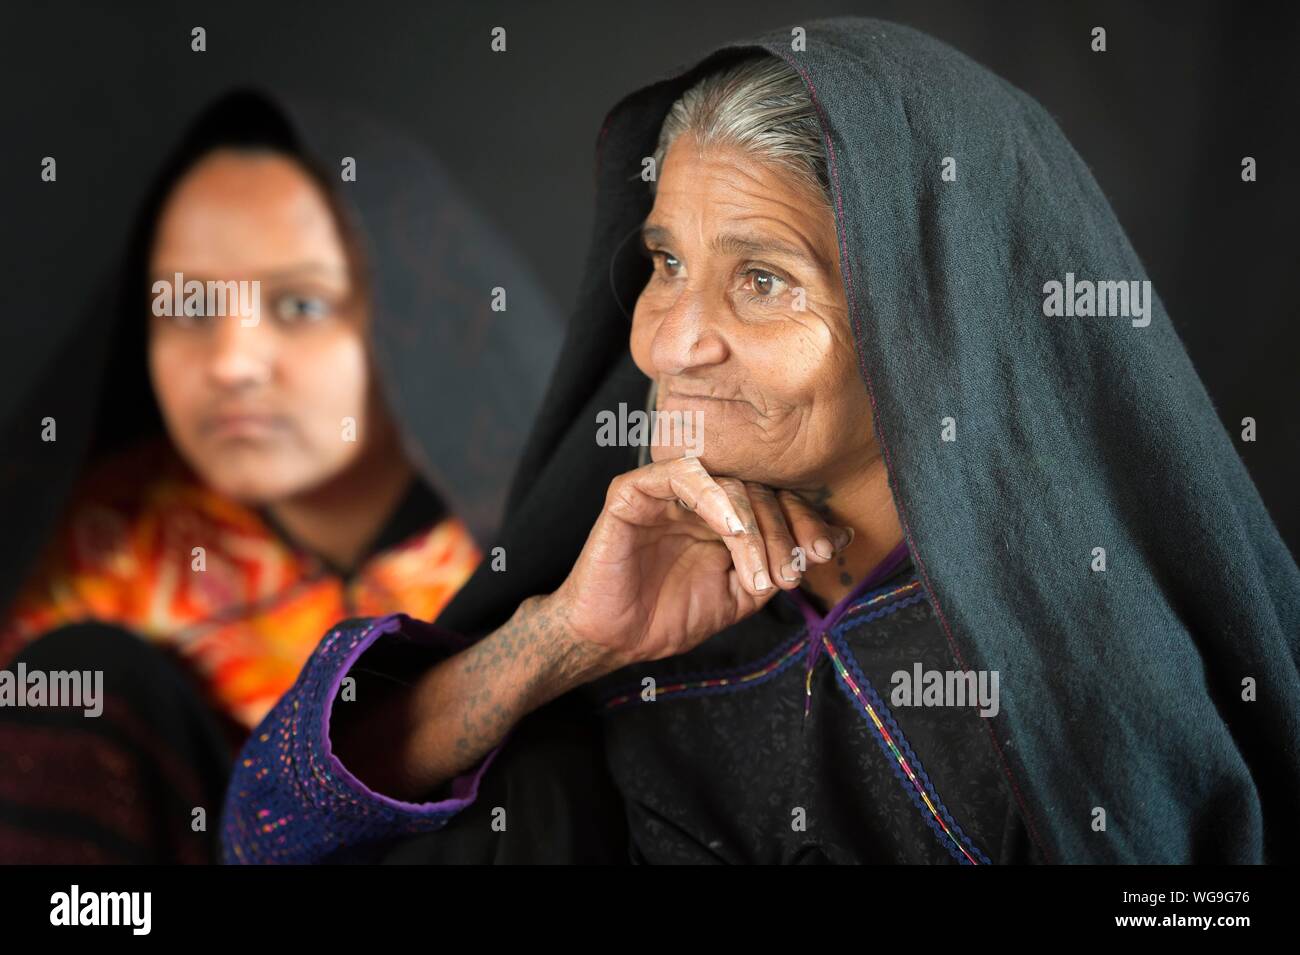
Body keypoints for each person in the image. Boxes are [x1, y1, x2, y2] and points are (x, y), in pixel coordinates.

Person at [222, 19, 1300, 865]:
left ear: (934, 320)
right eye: (664, 262)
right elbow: (260, 835)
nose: (675, 340)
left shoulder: (1089, 678)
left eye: (763, 279)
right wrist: (559, 641)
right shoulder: (635, 598)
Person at [0, 89, 561, 862]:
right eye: (189, 307)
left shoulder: (542, 551)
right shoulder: (92, 557)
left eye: (299, 303)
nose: (231, 363)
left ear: (414, 318)